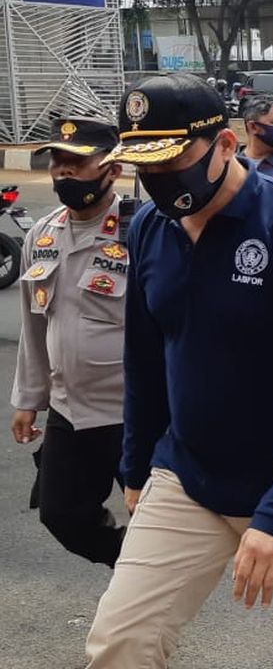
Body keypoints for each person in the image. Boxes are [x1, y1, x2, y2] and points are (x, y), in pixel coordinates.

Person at [84, 73, 273, 668]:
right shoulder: (149, 228)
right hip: (188, 475)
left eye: (175, 161)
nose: (161, 181)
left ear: (224, 145)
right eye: (146, 165)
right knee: (121, 642)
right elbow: (143, 359)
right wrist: (135, 468)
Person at [9, 117, 127, 568]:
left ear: (112, 169)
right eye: (58, 161)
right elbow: (34, 323)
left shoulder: (140, 232)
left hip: (130, 410)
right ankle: (131, 564)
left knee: (155, 513)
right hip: (68, 408)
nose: (64, 172)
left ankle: (146, 595)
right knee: (61, 514)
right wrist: (29, 398)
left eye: (77, 163)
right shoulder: (42, 234)